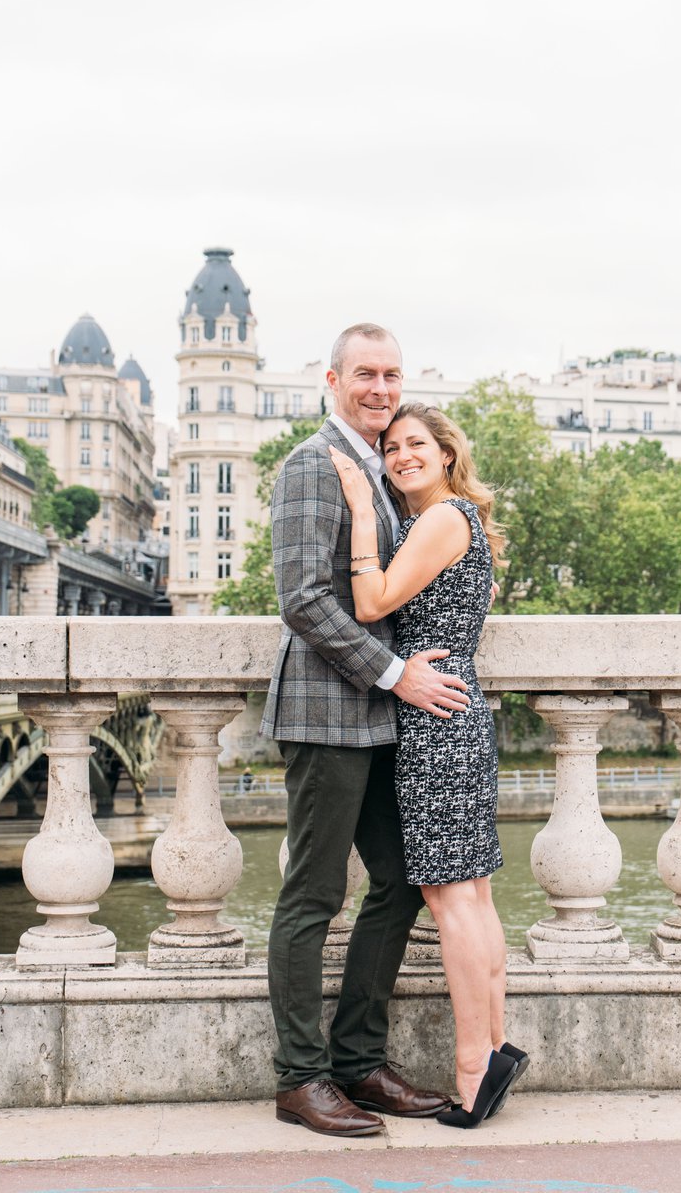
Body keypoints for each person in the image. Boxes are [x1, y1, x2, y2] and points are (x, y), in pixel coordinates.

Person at [262, 323, 470, 1138]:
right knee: (314, 895)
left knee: (402, 879)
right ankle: (299, 1078)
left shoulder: (382, 469)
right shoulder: (312, 463)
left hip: (384, 717)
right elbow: (303, 599)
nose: (381, 388)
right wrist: (394, 673)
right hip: (328, 710)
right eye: (365, 375)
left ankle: (357, 1061)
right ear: (333, 380)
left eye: (392, 375)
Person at [329, 401, 526, 1129]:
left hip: (436, 721)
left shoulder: (441, 519)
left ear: (446, 454)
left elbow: (372, 599)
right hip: (456, 713)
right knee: (473, 897)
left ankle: (475, 1069)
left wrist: (360, 510)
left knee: (451, 902)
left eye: (416, 444)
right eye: (390, 449)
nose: (401, 456)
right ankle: (495, 1049)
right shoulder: (453, 521)